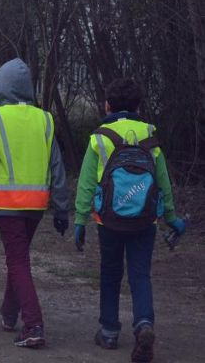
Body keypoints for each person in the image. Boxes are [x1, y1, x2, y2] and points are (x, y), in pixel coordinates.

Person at [73, 78, 185, 363]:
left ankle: (109, 331)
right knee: (140, 274)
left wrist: (80, 220)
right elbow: (163, 181)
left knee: (110, 273)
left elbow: (87, 182)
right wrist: (171, 217)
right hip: (145, 220)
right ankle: (144, 324)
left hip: (108, 220)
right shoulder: (149, 134)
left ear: (108, 105)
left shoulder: (100, 136)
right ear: (138, 106)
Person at [0, 58, 70, 349]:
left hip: (8, 204)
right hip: (37, 204)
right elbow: (57, 168)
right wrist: (61, 207)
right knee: (19, 257)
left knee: (18, 260)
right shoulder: (45, 119)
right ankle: (9, 313)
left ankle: (33, 324)